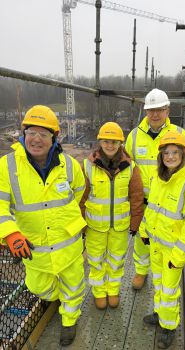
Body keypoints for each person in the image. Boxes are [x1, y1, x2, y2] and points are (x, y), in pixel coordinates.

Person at [0, 105, 87, 346]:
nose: (36, 139)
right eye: (31, 132)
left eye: (44, 134)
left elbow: (78, 192)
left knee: (74, 285)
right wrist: (9, 233)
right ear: (23, 134)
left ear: (54, 138)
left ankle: (69, 321)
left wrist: (66, 218)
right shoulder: (7, 167)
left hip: (67, 244)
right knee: (39, 287)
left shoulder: (69, 165)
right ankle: (60, 298)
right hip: (33, 248)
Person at [125, 88, 185, 290]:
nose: (155, 115)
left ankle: (165, 279)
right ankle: (141, 271)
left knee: (165, 242)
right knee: (141, 241)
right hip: (143, 202)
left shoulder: (180, 135)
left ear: (168, 110)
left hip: (169, 204)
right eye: (151, 110)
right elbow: (127, 168)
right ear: (146, 111)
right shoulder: (134, 136)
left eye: (160, 109)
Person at [141, 131, 185, 349]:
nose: (171, 157)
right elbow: (152, 208)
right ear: (161, 156)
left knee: (170, 290)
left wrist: (179, 255)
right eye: (166, 153)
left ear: (183, 155)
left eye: (175, 152)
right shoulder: (157, 178)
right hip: (156, 244)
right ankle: (159, 314)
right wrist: (145, 232)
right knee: (158, 283)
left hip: (173, 250)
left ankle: (168, 326)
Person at [80, 122, 144, 309]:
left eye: (114, 142)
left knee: (116, 260)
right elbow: (81, 197)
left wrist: (135, 222)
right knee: (96, 260)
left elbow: (137, 196)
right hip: (94, 226)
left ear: (120, 143)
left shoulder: (130, 167)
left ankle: (113, 290)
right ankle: (99, 292)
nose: (110, 145)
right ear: (100, 142)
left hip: (120, 225)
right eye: (106, 141)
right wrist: (81, 224)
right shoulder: (88, 166)